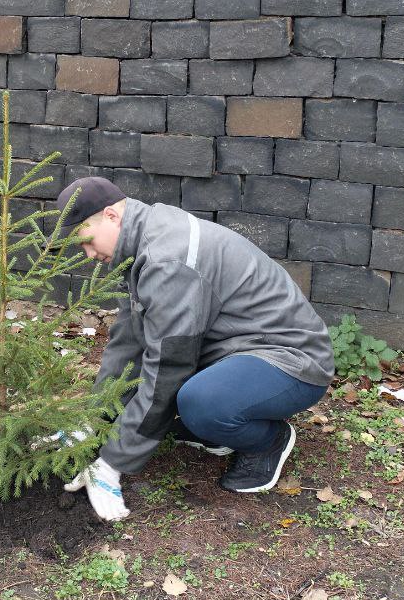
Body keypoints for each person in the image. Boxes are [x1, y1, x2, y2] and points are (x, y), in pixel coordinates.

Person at [53, 176, 334, 521]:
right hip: (235, 349)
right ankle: (219, 425)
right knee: (180, 400)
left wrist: (112, 464)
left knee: (200, 403)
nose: (89, 255)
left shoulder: (167, 261)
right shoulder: (142, 243)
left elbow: (168, 366)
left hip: (291, 360)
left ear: (111, 216)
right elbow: (128, 342)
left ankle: (268, 441)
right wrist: (93, 419)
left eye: (87, 241)